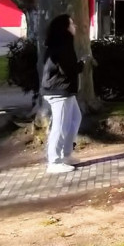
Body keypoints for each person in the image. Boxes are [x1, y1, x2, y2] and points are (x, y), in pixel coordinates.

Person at [41, 14, 84, 173]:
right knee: (60, 125)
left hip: (64, 90)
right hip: (59, 91)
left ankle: (66, 154)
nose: (75, 26)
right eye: (72, 24)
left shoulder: (63, 44)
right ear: (65, 28)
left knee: (75, 118)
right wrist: (81, 65)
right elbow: (68, 69)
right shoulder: (61, 47)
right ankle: (54, 161)